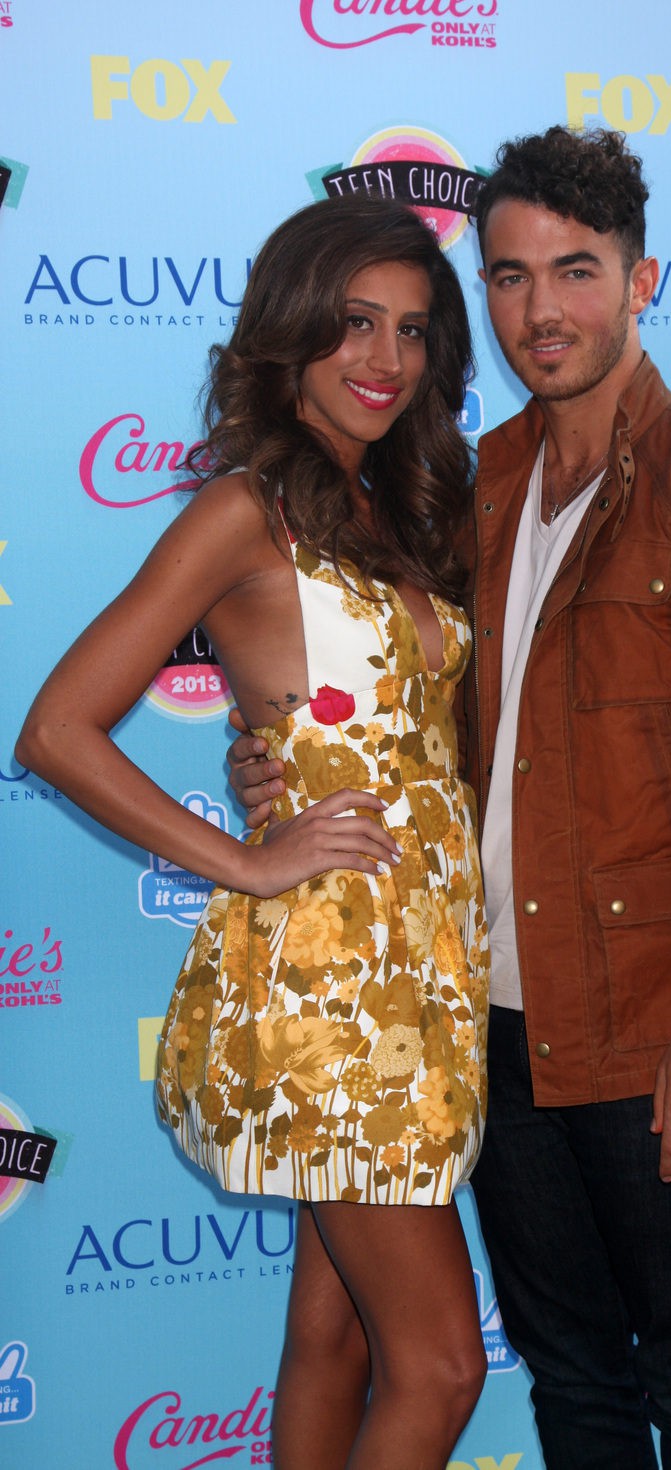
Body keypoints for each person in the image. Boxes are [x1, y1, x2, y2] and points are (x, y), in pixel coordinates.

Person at [230, 128, 671, 1468]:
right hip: (493, 1017)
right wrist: (274, 758)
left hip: (661, 1020)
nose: (540, 309)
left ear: (642, 280)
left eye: (575, 270)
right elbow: (393, 708)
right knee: (572, 1376)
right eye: (509, 276)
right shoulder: (467, 487)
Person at [16, 196, 490, 1470]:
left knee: (334, 1340)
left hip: (424, 977)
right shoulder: (244, 511)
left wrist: (279, 756)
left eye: (409, 330)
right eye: (350, 325)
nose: (383, 360)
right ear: (288, 337)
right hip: (331, 991)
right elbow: (56, 727)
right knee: (442, 1366)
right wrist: (245, 856)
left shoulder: (404, 511)